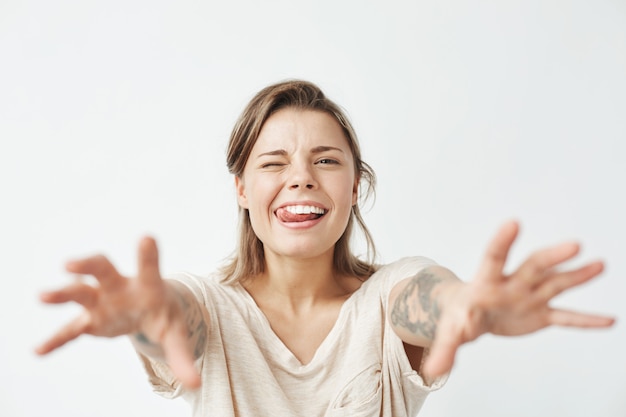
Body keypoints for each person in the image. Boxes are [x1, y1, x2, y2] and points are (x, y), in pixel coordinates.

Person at [36, 80, 615, 416]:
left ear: (355, 186)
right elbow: (175, 315)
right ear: (241, 189)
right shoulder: (208, 306)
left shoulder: (390, 297)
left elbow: (429, 299)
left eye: (326, 160)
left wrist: (464, 305)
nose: (301, 178)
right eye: (274, 163)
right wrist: (149, 315)